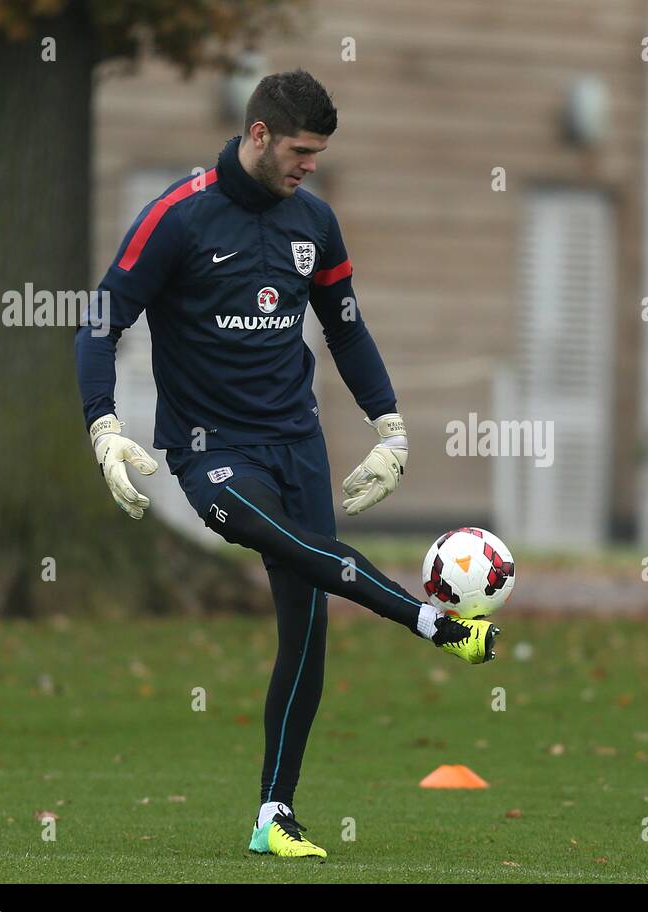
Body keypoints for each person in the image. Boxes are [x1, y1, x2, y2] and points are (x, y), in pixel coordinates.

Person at [75, 70, 499, 861]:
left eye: (321, 154)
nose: (311, 166)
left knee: (306, 628)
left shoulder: (316, 222)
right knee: (301, 553)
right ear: (260, 134)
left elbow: (345, 327)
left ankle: (276, 813)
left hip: (298, 445)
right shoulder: (178, 216)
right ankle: (430, 623)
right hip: (214, 455)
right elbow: (100, 322)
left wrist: (391, 427)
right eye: (302, 151)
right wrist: (103, 426)